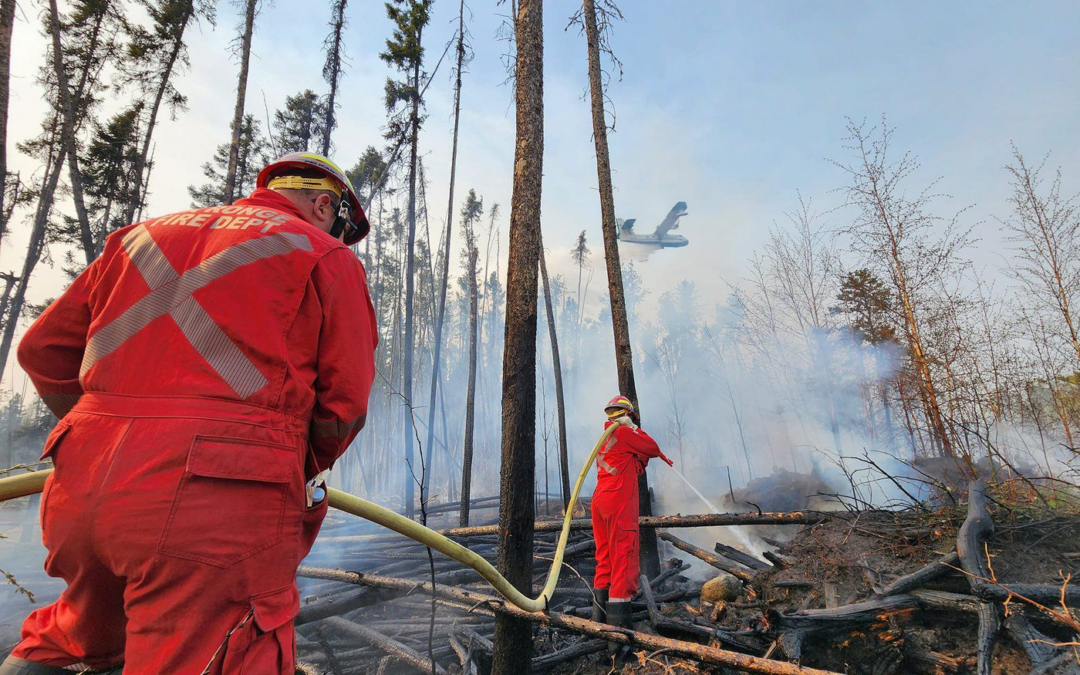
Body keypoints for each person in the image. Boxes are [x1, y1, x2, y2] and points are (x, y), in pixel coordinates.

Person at [1, 153, 378, 675]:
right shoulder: (326, 255)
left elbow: (41, 350)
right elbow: (344, 405)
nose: (338, 237)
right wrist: (287, 466)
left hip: (83, 494)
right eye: (339, 226)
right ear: (323, 205)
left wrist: (99, 432)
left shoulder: (137, 238)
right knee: (220, 654)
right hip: (218, 510)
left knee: (75, 639)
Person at [590, 396, 672, 640]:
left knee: (605, 559)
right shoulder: (626, 434)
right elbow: (653, 448)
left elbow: (635, 465)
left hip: (600, 501)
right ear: (627, 415)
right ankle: (619, 643)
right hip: (618, 502)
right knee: (624, 560)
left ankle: (598, 628)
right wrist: (634, 428)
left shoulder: (606, 438)